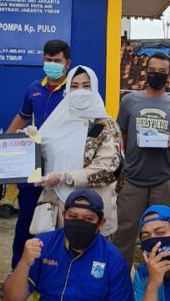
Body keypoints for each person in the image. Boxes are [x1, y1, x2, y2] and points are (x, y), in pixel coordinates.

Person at [114, 51, 170, 265]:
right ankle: (119, 283)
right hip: (133, 178)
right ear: (145, 73)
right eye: (152, 71)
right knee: (123, 234)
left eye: (162, 72)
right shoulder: (129, 101)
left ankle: (167, 282)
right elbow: (123, 137)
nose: (157, 75)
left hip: (165, 178)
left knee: (167, 235)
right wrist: (121, 168)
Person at [6, 39, 71, 268]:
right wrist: (2, 145)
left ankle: (52, 275)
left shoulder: (74, 89)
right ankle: (18, 272)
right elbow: (22, 116)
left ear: (67, 63)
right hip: (33, 166)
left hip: (62, 166)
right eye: (48, 60)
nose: (51, 64)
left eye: (57, 61)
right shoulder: (34, 88)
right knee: (25, 221)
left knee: (57, 224)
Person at [36, 65, 122, 236]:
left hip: (93, 213)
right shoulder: (55, 123)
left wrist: (66, 177)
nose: (80, 91)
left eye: (86, 86)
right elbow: (38, 159)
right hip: (57, 211)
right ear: (67, 89)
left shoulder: (105, 125)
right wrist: (29, 142)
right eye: (74, 86)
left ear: (95, 88)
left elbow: (109, 170)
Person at [2, 189, 133, 301]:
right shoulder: (42, 245)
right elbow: (12, 298)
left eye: (88, 219)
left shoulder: (113, 259)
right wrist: (24, 263)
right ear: (64, 216)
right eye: (73, 216)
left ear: (100, 223)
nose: (79, 223)